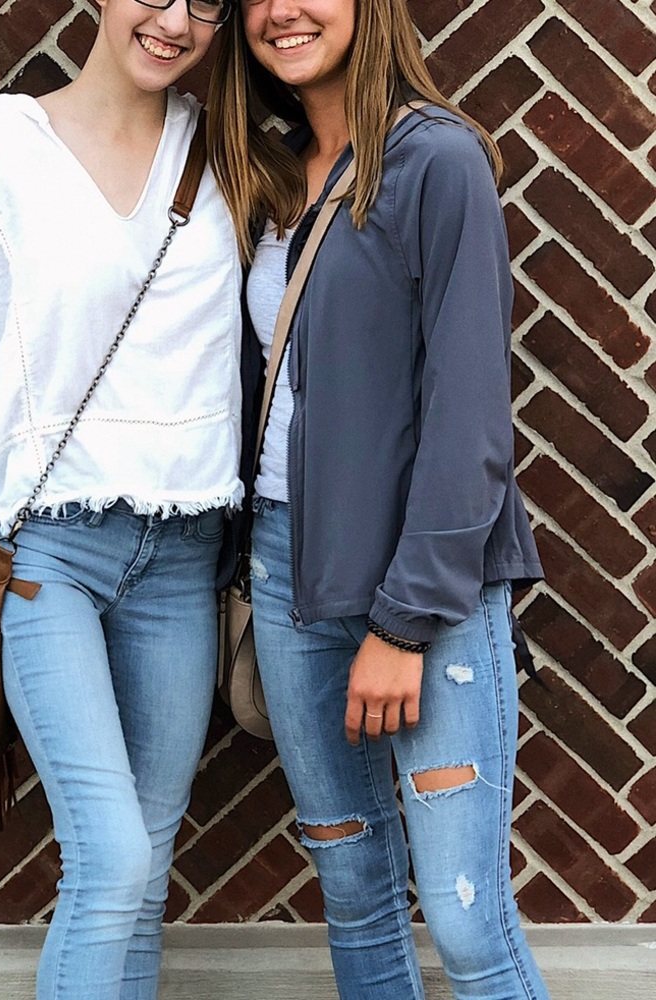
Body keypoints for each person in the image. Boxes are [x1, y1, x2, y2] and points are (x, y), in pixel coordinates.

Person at [0, 3, 242, 998]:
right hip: (49, 554)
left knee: (144, 871)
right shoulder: (3, 142)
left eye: (204, 3)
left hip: (182, 556)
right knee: (113, 859)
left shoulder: (220, 153)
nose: (174, 21)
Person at [206, 2, 551, 997]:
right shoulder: (268, 178)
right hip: (285, 578)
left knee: (465, 915)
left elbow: (472, 418)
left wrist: (401, 624)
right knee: (355, 891)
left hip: (424, 590)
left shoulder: (434, 161)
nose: (281, 10)